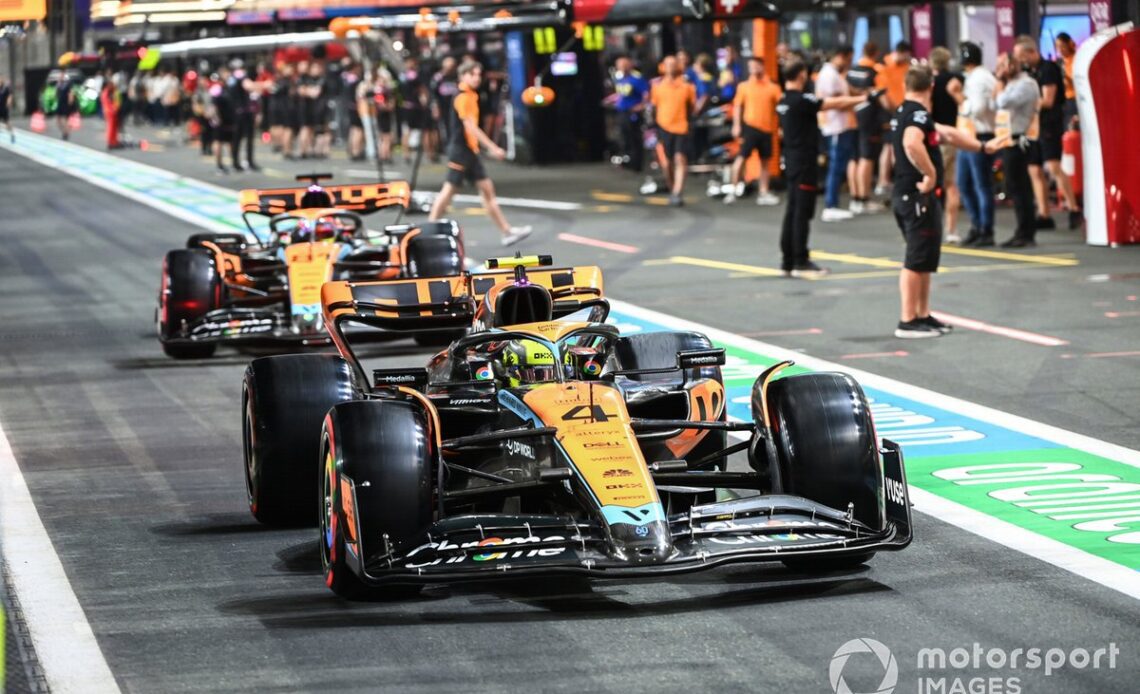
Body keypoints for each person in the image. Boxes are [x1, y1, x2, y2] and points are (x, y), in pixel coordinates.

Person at [891, 64, 1008, 338]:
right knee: (915, 258)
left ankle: (922, 314)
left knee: (924, 258)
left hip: (913, 195)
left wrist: (981, 146)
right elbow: (911, 143)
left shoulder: (906, 111)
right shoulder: (917, 114)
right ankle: (907, 320)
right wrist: (930, 174)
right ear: (930, 88)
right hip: (916, 195)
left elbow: (949, 134)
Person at [776, 59, 866, 278]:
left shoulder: (783, 101)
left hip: (791, 159)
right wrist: (863, 98)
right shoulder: (801, 100)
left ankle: (788, 260)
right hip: (805, 161)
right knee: (802, 212)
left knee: (792, 209)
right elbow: (832, 103)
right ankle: (800, 260)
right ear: (801, 75)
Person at [429, 60, 532, 246]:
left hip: (470, 151)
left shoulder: (470, 95)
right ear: (462, 76)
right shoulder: (463, 97)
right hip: (460, 151)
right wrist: (493, 147)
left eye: (478, 74)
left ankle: (507, 232)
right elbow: (470, 127)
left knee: (487, 191)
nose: (476, 78)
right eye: (472, 74)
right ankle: (429, 231)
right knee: (448, 191)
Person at [1015, 36, 1080, 229]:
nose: (1021, 61)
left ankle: (1073, 208)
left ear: (1031, 52)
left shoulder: (1048, 70)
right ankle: (1044, 214)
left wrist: (1023, 103)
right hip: (1034, 126)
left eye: (1022, 56)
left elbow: (1048, 100)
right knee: (1034, 169)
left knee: (1054, 167)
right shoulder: (1030, 73)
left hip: (1049, 124)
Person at [993, 51, 1042, 248]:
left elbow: (1002, 102)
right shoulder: (1012, 84)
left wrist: (999, 80)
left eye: (1002, 65)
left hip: (1020, 141)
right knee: (1016, 187)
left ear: (1013, 65)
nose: (999, 70)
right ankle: (1023, 230)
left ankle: (1026, 232)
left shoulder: (1026, 84)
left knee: (1021, 189)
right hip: (1008, 140)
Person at [956, 42, 998, 247]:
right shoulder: (976, 77)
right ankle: (977, 224)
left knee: (981, 184)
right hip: (969, 134)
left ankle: (985, 228)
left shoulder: (980, 79)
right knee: (964, 183)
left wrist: (961, 103)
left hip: (980, 134)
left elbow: (979, 108)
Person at [725, 55, 781, 206]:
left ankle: (763, 192)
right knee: (741, 158)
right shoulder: (744, 86)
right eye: (751, 66)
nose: (754, 68)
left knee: (765, 162)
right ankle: (732, 191)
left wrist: (781, 127)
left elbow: (780, 107)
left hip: (767, 129)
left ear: (762, 67)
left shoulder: (772, 87)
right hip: (750, 128)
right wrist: (736, 125)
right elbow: (737, 107)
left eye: (757, 66)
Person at [815, 46, 858, 221]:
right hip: (834, 127)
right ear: (841, 56)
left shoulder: (835, 74)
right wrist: (859, 100)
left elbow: (845, 95)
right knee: (835, 166)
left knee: (838, 165)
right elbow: (834, 102)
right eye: (848, 59)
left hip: (842, 126)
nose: (849, 63)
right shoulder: (828, 75)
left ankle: (833, 203)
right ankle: (830, 205)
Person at [650, 55, 697, 207]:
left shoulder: (687, 87)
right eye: (667, 64)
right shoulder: (657, 87)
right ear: (663, 66)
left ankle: (677, 192)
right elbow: (654, 108)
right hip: (663, 128)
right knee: (666, 163)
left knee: (680, 159)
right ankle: (672, 189)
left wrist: (688, 122)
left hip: (681, 127)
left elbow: (691, 108)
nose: (670, 67)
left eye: (673, 64)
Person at [930, 47, 964, 243]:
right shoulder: (956, 80)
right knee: (950, 185)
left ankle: (932, 228)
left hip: (936, 137)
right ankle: (951, 229)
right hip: (954, 135)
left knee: (932, 184)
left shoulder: (930, 84)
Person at [847, 65, 889, 213]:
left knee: (855, 158)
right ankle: (863, 198)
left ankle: (856, 198)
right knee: (866, 158)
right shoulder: (873, 73)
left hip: (853, 114)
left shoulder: (850, 72)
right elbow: (886, 103)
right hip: (865, 115)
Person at [877, 42, 914, 197]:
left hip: (904, 110)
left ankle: (896, 179)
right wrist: (893, 110)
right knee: (889, 146)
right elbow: (882, 93)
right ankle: (883, 181)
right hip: (891, 112)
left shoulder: (908, 66)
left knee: (898, 146)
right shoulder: (883, 66)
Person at [611, 55, 649, 172]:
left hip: (633, 113)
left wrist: (641, 106)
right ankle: (628, 161)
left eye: (624, 65)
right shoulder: (619, 78)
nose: (622, 67)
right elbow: (621, 94)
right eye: (620, 65)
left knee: (634, 138)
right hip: (622, 112)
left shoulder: (636, 78)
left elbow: (647, 94)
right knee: (625, 137)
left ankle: (637, 163)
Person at [1055, 32, 1079, 127]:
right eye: (1057, 47)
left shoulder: (1077, 58)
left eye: (1062, 46)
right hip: (1065, 101)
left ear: (1069, 44)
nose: (1060, 50)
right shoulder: (1060, 62)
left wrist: (1067, 77)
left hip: (1075, 99)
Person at [99, 69, 122, 150]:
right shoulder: (107, 93)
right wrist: (115, 108)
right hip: (110, 112)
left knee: (114, 127)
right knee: (111, 127)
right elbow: (112, 102)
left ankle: (113, 141)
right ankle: (111, 142)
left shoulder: (108, 92)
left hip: (111, 111)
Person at [0, 76, 13, 143]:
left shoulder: (5, 88)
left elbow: (9, 96)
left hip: (4, 108)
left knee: (7, 122)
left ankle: (11, 134)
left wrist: (9, 102)